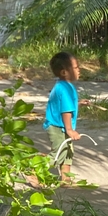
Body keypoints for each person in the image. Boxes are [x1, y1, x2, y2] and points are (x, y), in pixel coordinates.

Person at [44, 51, 81, 183]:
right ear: (64, 72)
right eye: (76, 68)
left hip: (60, 126)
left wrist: (79, 103)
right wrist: (70, 130)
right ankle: (34, 170)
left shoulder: (64, 86)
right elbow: (66, 111)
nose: (79, 70)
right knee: (59, 153)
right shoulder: (64, 88)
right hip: (58, 127)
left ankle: (66, 179)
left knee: (68, 152)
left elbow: (64, 104)